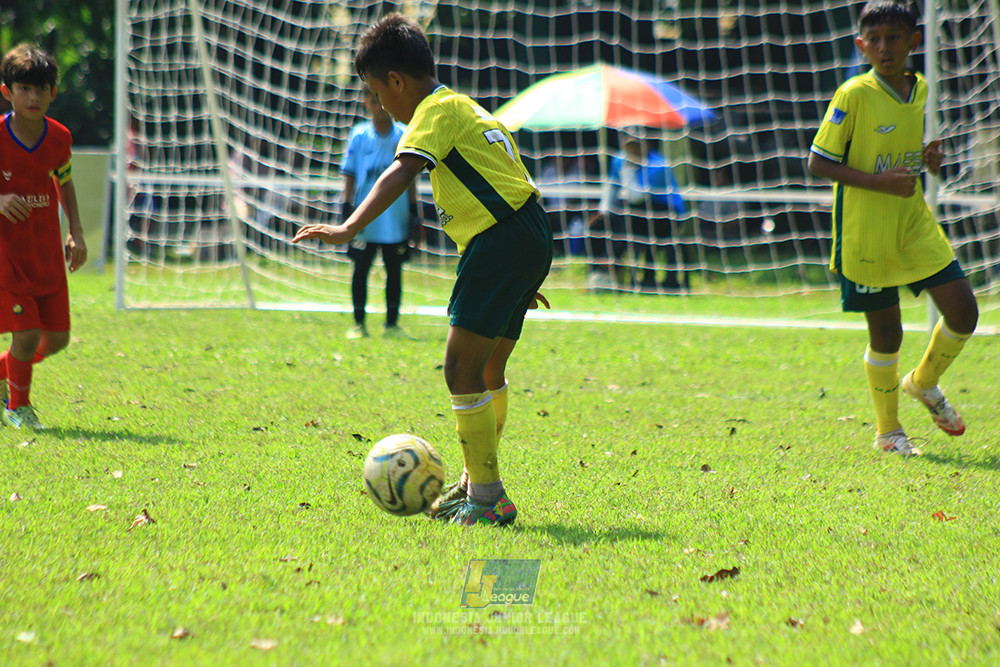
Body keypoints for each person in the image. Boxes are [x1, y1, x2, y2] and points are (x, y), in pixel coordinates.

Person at [293, 14, 552, 526]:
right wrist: (524, 270)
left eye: (375, 91)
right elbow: (512, 181)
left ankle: (487, 496)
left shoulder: (433, 110)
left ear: (396, 81)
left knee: (459, 368)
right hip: (526, 230)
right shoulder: (471, 110)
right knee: (488, 371)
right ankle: (476, 483)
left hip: (502, 239)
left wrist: (348, 227)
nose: (379, 104)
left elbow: (400, 170)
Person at [808, 1, 978, 455]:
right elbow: (817, 161)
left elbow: (895, 142)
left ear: (914, 42)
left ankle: (923, 383)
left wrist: (925, 155)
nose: (885, 48)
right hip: (866, 231)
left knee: (964, 311)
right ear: (861, 45)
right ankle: (888, 433)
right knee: (888, 334)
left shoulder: (919, 89)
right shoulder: (853, 94)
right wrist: (877, 181)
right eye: (875, 39)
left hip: (913, 222)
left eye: (894, 37)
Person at [0, 44, 88, 430]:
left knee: (55, 340)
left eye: (41, 89)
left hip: (45, 250)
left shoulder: (59, 138)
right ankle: (19, 407)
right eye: (23, 89)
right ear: (7, 92)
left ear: (53, 92)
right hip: (7, 255)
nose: (32, 97)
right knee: (26, 332)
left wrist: (77, 233)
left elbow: (64, 183)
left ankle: (7, 375)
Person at [341, 88, 419, 339]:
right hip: (365, 216)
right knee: (360, 268)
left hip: (394, 216)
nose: (378, 104)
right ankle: (358, 323)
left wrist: (414, 210)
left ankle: (391, 324)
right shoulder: (358, 135)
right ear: (365, 102)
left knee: (394, 269)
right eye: (373, 99)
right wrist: (345, 206)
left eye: (381, 99)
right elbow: (350, 173)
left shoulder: (403, 134)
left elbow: (410, 175)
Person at [587, 133, 687, 293]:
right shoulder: (619, 159)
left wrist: (628, 170)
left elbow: (637, 196)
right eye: (628, 146)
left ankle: (612, 263)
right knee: (599, 223)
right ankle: (600, 269)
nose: (631, 150)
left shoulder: (658, 166)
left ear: (646, 145)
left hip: (668, 213)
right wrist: (603, 211)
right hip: (640, 212)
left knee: (628, 218)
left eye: (636, 145)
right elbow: (612, 187)